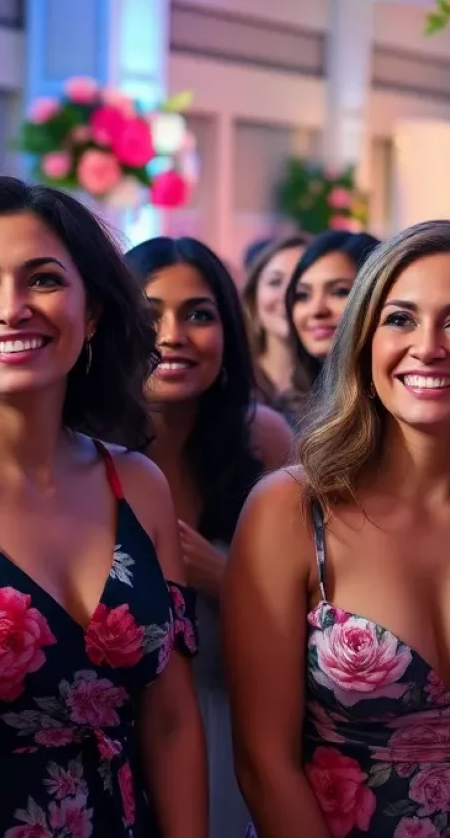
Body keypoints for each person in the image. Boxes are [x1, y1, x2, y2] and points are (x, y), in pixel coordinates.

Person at [224, 220, 450, 838]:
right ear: (363, 342)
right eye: (400, 319)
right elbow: (262, 762)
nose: (428, 346)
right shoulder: (292, 510)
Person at [0, 178, 205, 837]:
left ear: (95, 312)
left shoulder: (135, 483)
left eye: (43, 280)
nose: (12, 307)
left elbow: (171, 722)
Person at [126, 236, 293, 838]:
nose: (172, 335)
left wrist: (226, 579)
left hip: (236, 730)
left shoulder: (265, 442)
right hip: (117, 741)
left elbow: (329, 612)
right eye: (149, 316)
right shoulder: (81, 454)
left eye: (199, 314)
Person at [284, 228, 380, 422]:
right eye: (303, 295)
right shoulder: (287, 411)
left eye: (339, 292)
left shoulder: (398, 407)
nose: (317, 310)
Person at [241, 234, 308, 409]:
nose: (287, 295)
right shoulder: (229, 379)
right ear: (253, 298)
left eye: (301, 283)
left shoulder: (341, 387)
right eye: (275, 282)